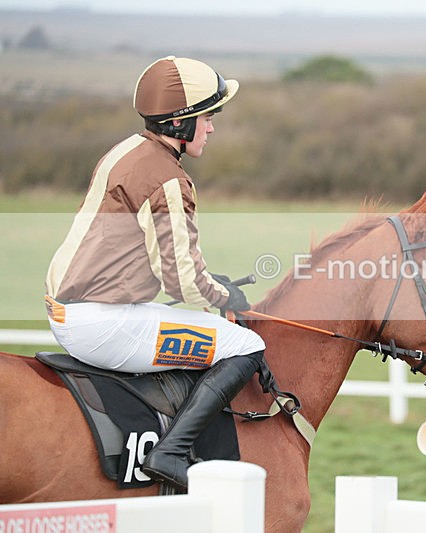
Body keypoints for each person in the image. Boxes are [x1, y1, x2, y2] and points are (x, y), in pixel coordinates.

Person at [44, 56, 265, 490]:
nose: (212, 128)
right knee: (246, 344)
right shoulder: (170, 180)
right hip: (102, 324)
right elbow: (181, 280)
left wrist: (209, 285)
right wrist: (224, 296)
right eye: (207, 117)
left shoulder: (127, 150)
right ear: (182, 123)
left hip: (70, 309)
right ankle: (171, 453)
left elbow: (150, 258)